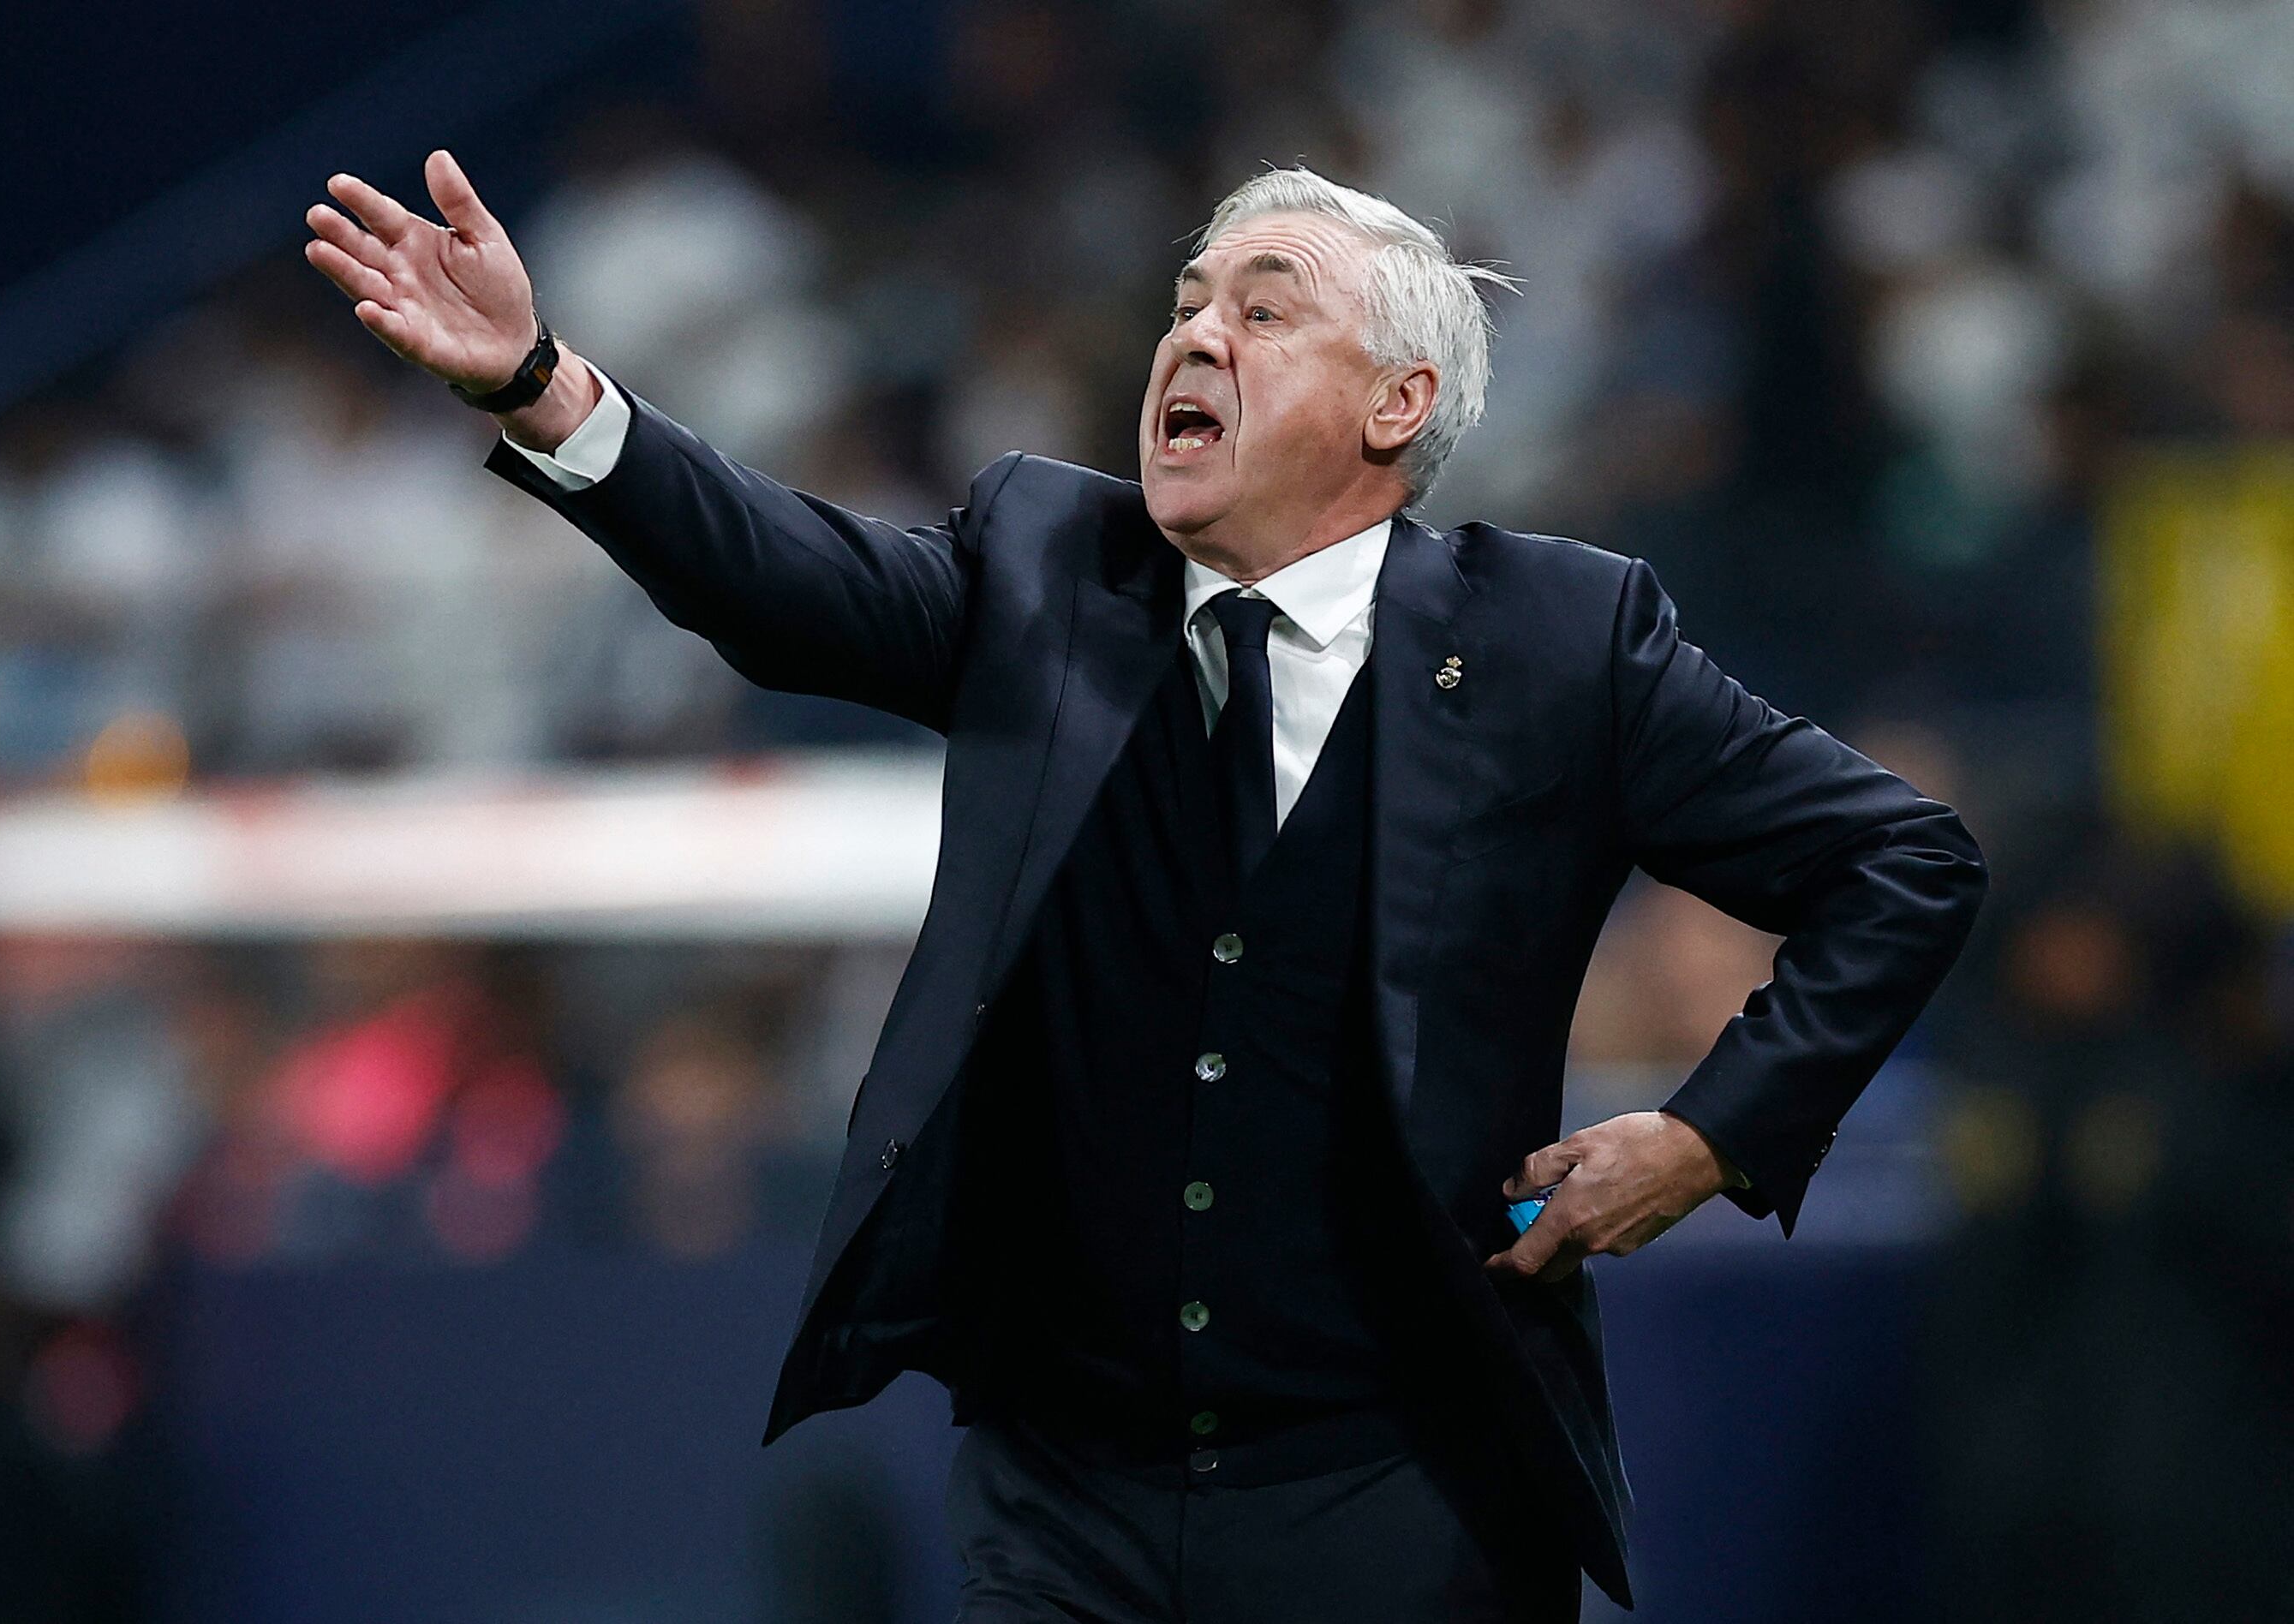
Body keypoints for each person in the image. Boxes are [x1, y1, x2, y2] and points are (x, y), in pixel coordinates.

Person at [304, 151, 1988, 1621]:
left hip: (1401, 1494)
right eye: (1188, 303)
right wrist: (539, 385)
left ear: (1397, 406)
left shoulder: (1559, 642)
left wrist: (1705, 1137)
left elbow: (1901, 859)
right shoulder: (1047, 564)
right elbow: (785, 582)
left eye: (1265, 309)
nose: (1194, 334)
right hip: (1065, 1503)